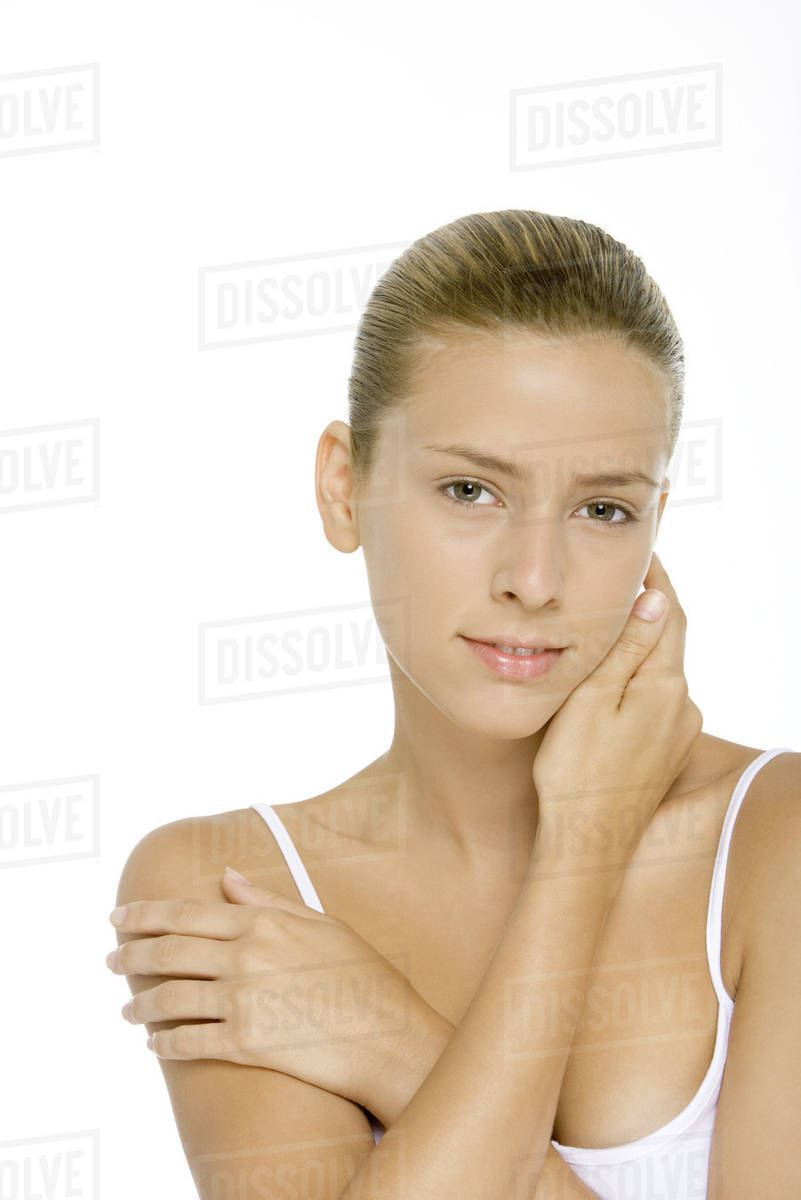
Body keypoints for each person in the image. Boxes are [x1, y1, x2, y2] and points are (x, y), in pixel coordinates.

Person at [107, 210, 800, 1198]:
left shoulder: (777, 842)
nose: (534, 576)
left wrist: (391, 1035)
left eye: (604, 508)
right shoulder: (232, 886)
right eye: (471, 490)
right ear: (345, 489)